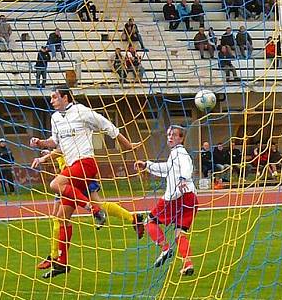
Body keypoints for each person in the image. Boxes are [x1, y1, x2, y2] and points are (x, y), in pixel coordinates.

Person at [29, 87, 145, 278]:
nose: (52, 101)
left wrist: (128, 145)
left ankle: (94, 210)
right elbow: (55, 142)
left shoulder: (82, 111)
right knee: (62, 218)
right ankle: (61, 263)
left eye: (54, 97)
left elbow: (108, 126)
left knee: (55, 185)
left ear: (65, 97)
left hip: (86, 164)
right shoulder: (55, 118)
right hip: (71, 171)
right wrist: (41, 143)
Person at [135, 126, 198, 276]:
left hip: (177, 196)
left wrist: (183, 178)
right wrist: (147, 165)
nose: (170, 137)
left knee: (149, 221)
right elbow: (166, 169)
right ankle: (188, 264)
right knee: (179, 233)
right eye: (169, 135)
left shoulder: (179, 153)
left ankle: (165, 249)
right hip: (191, 198)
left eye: (174, 135)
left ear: (181, 138)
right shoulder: (175, 154)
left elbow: (186, 166)